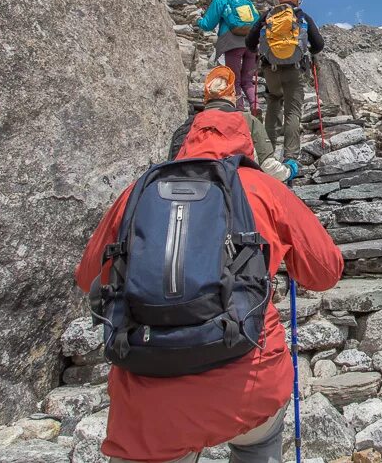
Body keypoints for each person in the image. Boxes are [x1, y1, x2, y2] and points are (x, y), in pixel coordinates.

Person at [75, 107, 344, 463]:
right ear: (244, 144)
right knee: (260, 438)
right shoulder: (261, 187)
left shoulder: (136, 194)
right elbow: (325, 272)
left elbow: (87, 278)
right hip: (249, 380)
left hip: (149, 395)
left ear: (180, 147)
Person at [169, 66, 299, 182]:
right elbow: (269, 167)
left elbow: (172, 164)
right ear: (232, 95)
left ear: (205, 98)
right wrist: (289, 169)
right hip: (234, 190)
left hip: (191, 188)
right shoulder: (247, 120)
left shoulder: (190, 124)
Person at [245, 0, 324, 161]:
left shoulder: (267, 16)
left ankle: (266, 155)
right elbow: (319, 45)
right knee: (292, 112)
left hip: (271, 69)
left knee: (273, 103)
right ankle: (290, 158)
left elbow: (249, 43)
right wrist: (307, 51)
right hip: (294, 70)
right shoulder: (301, 16)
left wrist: (261, 52)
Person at [197, 0, 262, 115]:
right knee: (247, 80)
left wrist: (198, 21)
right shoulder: (246, 1)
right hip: (251, 44)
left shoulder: (220, 0)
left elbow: (208, 25)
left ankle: (239, 109)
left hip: (233, 44)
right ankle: (255, 104)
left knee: (234, 79)